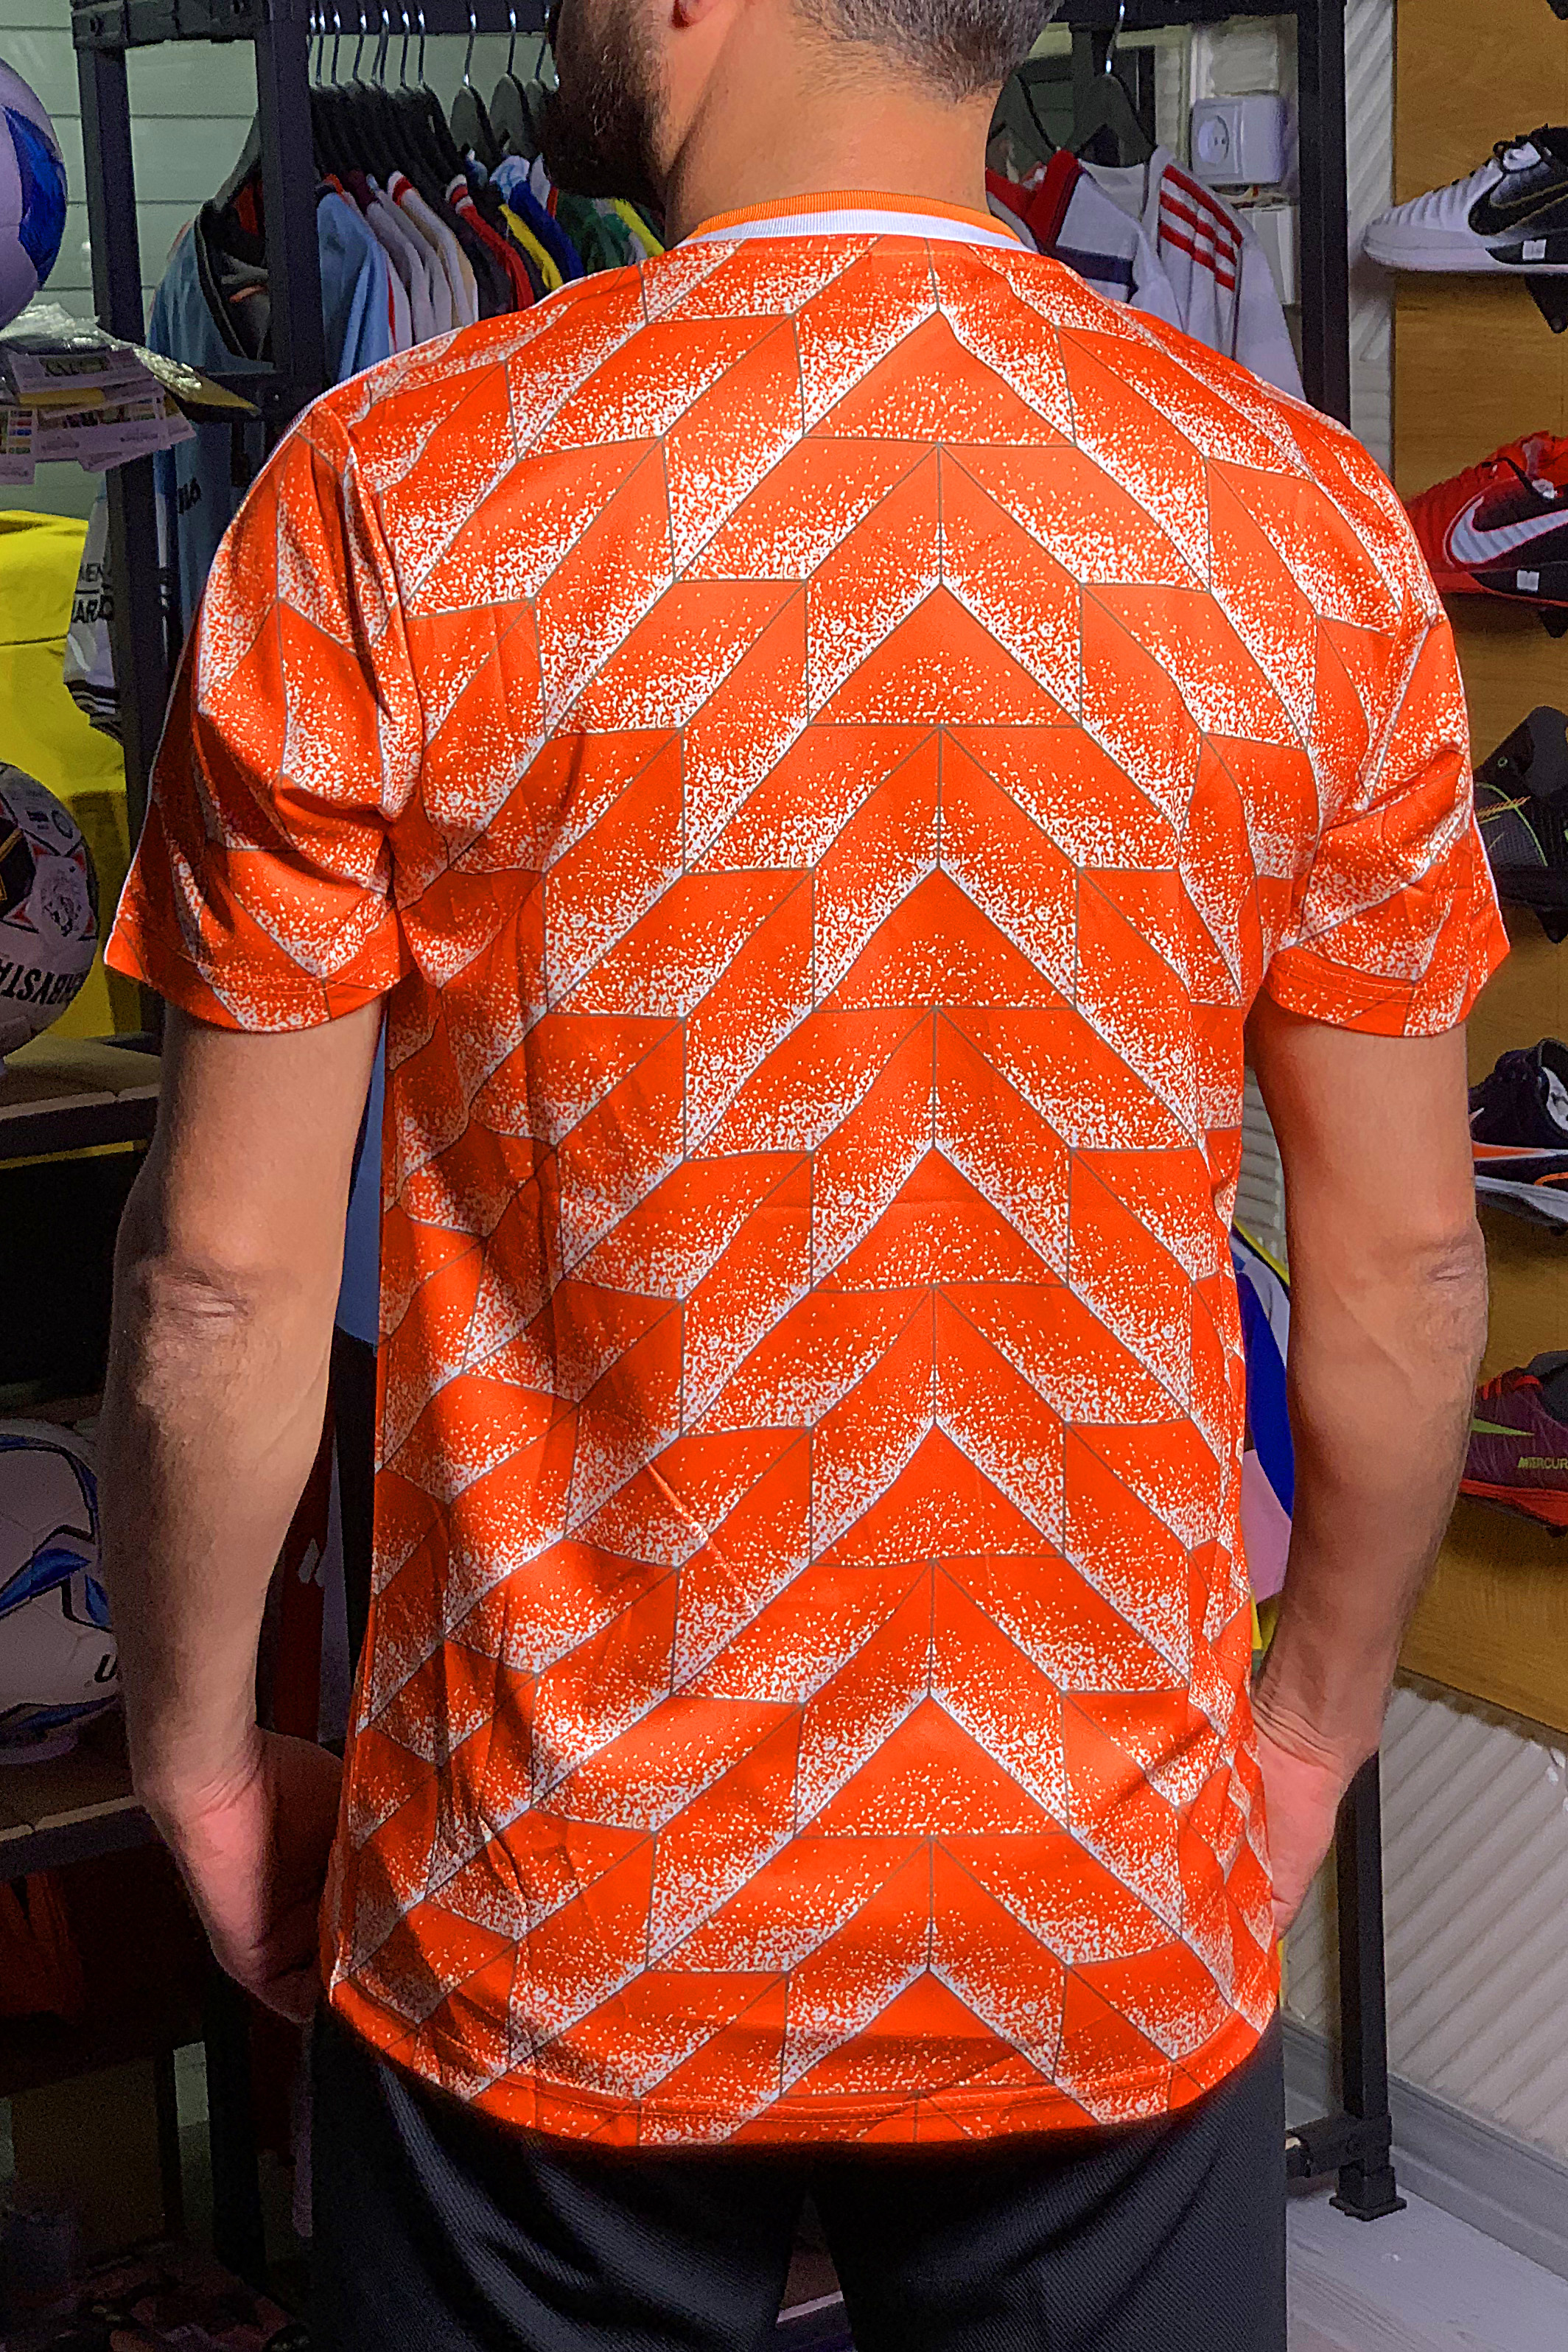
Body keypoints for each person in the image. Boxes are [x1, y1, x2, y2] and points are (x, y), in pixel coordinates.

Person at [99, 1, 1502, 2345]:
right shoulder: (1300, 522)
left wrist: (200, 1755)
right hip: (1089, 1897)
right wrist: (1311, 1732)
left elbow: (216, 1291)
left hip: (555, 1905)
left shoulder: (391, 492)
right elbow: (1409, 1267)